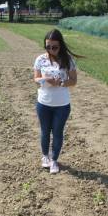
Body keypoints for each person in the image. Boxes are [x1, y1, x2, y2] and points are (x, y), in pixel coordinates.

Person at [33, 29, 79, 174]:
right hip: (43, 104)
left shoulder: (68, 60)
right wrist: (46, 80)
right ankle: (45, 157)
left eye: (55, 47)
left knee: (58, 132)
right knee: (45, 132)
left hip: (62, 105)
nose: (51, 50)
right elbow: (35, 80)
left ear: (61, 45)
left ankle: (54, 160)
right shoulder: (40, 59)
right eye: (48, 46)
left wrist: (60, 83)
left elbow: (73, 81)